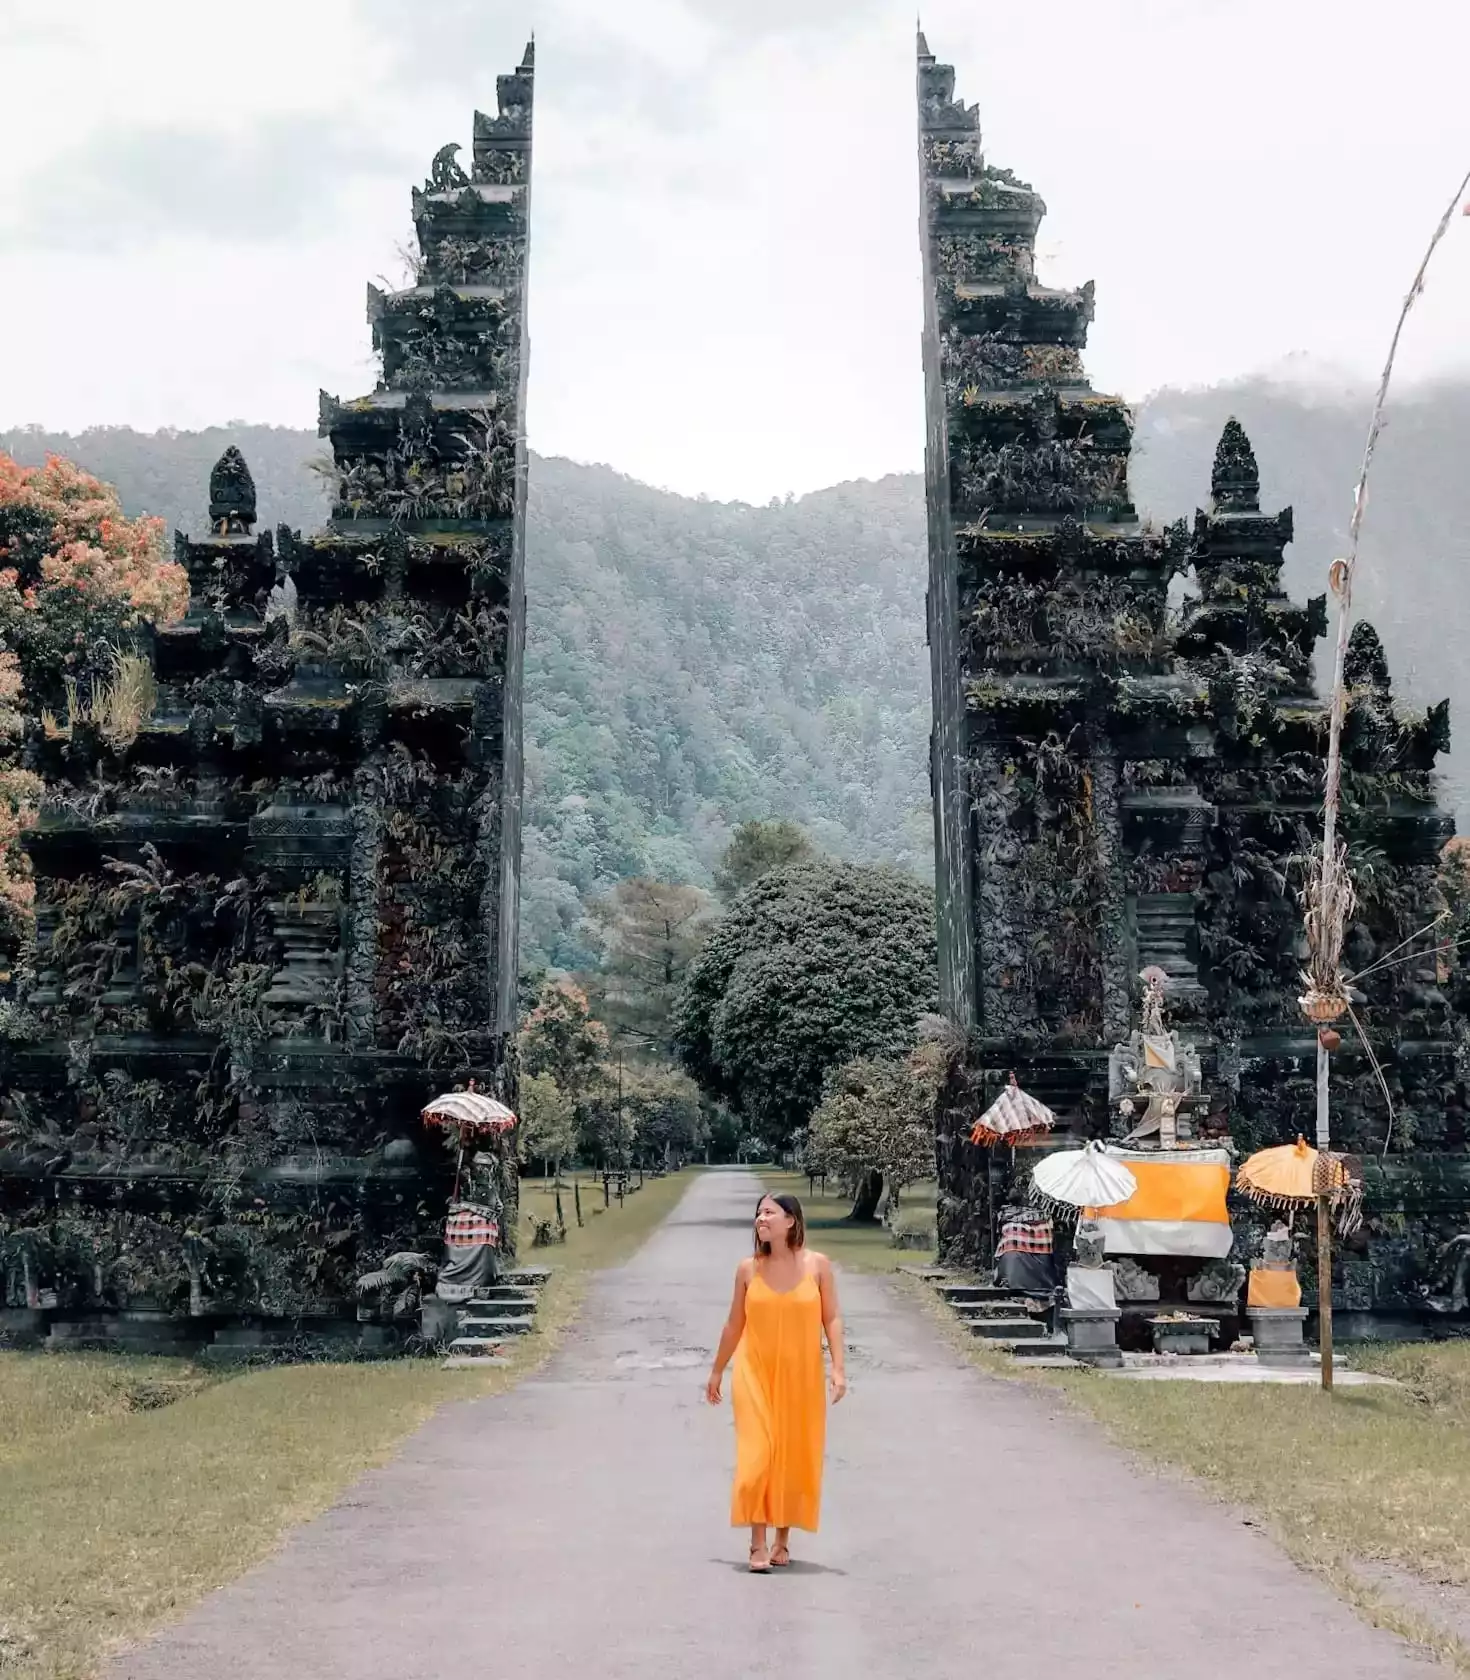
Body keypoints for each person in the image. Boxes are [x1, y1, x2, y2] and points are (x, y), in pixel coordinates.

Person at [704, 1192, 846, 1573]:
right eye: (758, 1214)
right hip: (754, 1372)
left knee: (791, 1453)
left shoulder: (818, 1266)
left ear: (791, 1221)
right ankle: (757, 1543)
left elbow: (831, 1318)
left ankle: (782, 1540)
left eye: (769, 1213)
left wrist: (838, 1368)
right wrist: (718, 1369)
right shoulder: (747, 1270)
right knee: (758, 1454)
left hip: (801, 1375)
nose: (760, 1220)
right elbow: (735, 1324)